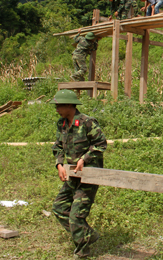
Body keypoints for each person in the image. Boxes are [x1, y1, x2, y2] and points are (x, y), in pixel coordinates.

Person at [50, 89, 107, 258]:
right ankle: (88, 234)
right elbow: (58, 146)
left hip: (89, 175)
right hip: (72, 175)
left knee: (75, 216)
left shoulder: (87, 122)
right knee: (59, 208)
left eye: (59, 105)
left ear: (70, 105)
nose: (57, 108)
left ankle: (82, 252)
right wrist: (59, 164)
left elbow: (101, 144)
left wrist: (85, 159)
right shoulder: (61, 124)